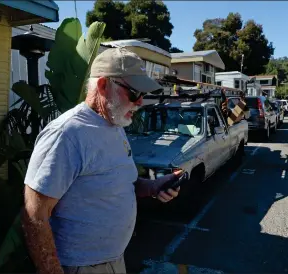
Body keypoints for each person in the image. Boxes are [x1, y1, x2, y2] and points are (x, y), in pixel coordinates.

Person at [21, 48, 183, 274]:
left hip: (114, 261)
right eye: (135, 92)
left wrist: (154, 187)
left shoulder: (114, 125)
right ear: (103, 85)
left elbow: (121, 184)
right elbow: (34, 215)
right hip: (80, 267)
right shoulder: (67, 134)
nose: (140, 102)